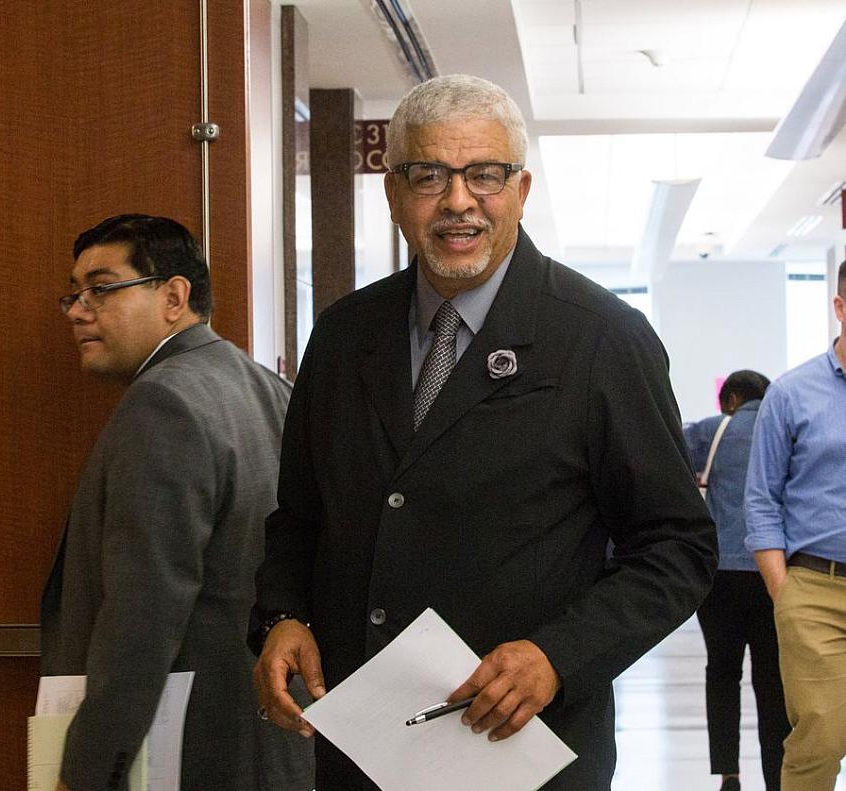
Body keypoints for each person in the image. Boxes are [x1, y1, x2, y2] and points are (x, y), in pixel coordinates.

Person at [250, 74, 717, 791]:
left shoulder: (600, 339)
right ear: (394, 192)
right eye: (429, 174)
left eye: (485, 175)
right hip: (362, 750)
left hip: (517, 749)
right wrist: (284, 614)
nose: (458, 201)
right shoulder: (344, 336)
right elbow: (302, 516)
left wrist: (557, 655)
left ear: (522, 190)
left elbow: (677, 546)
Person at [40, 214, 313, 791]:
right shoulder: (271, 389)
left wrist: (85, 771)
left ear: (174, 296)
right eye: (74, 292)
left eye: (102, 288)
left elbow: (143, 613)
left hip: (190, 750)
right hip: (268, 743)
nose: (77, 309)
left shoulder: (163, 403)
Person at [745, 260, 846, 791]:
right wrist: (785, 595)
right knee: (821, 734)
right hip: (815, 590)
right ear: (839, 308)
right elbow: (761, 503)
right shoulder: (791, 394)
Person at [684, 370, 787, 791]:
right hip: (773, 572)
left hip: (721, 573)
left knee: (722, 672)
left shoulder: (713, 430)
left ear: (730, 401)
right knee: (772, 679)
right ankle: (777, 777)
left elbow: (665, 460)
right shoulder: (784, 430)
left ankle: (728, 773)